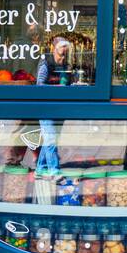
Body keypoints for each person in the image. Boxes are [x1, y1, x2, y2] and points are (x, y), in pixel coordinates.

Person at [35, 36, 71, 172]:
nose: (65, 49)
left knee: (51, 138)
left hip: (60, 105)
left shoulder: (64, 63)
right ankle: (54, 170)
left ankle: (40, 168)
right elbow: (40, 84)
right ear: (55, 47)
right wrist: (58, 88)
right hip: (45, 105)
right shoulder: (46, 62)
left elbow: (65, 80)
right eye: (63, 46)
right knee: (50, 138)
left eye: (66, 46)